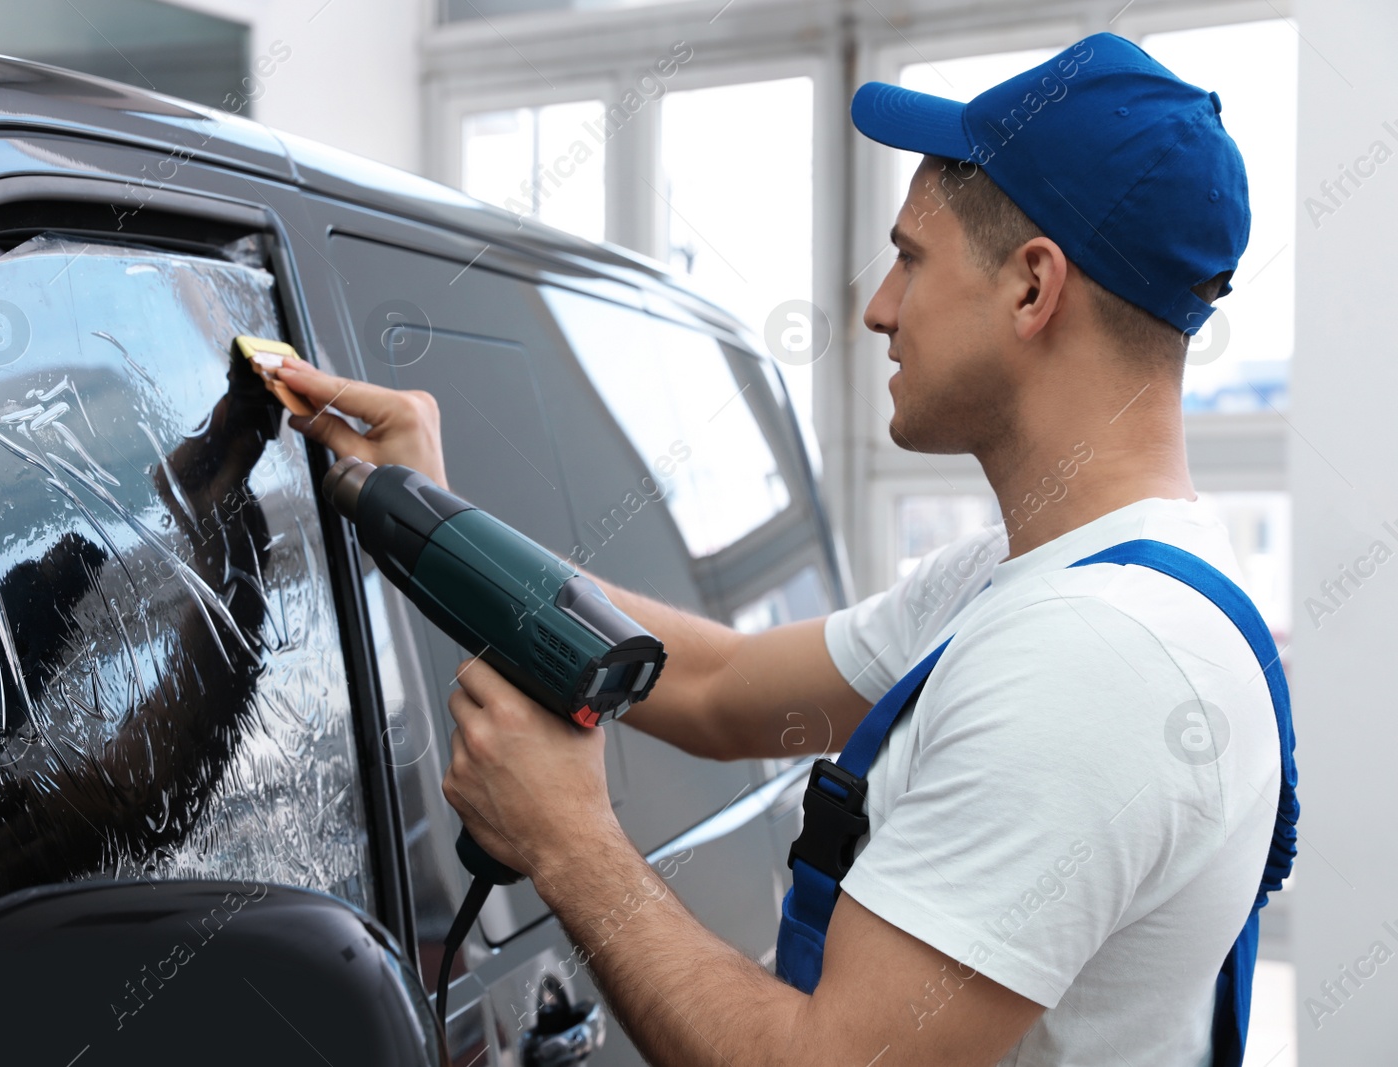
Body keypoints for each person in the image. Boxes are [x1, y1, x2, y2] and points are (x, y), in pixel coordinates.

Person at [276, 32, 1290, 1066]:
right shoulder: (1037, 582)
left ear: (1033, 288)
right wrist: (437, 513)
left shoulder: (1091, 659)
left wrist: (568, 841)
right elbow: (717, 686)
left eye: (909, 257)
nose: (878, 308)